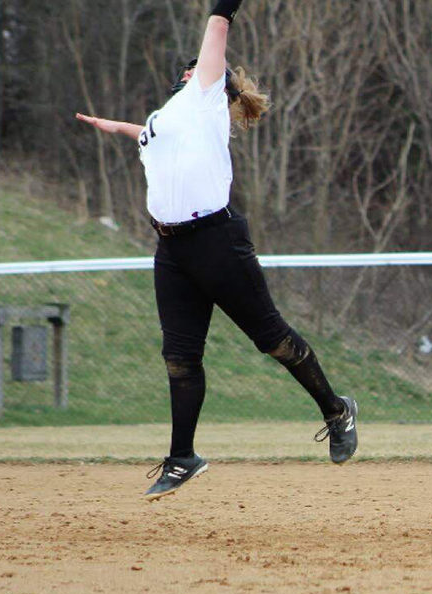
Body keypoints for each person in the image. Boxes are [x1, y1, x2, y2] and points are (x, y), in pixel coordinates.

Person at [75, 0, 357, 501]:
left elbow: (220, 18)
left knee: (271, 337)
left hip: (216, 243)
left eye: (205, 62)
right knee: (180, 357)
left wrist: (223, 12)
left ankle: (337, 410)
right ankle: (182, 457)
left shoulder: (205, 95)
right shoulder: (164, 120)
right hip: (172, 250)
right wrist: (111, 126)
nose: (200, 64)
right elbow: (142, 134)